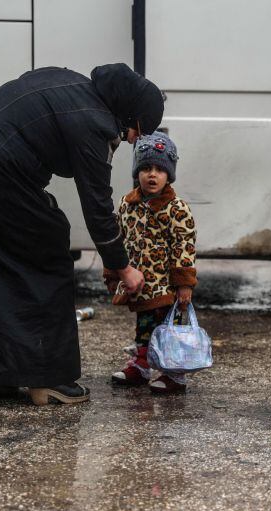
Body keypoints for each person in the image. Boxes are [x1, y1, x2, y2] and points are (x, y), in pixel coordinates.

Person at [0, 63, 164, 405]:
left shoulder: (68, 82)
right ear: (129, 114)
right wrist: (123, 267)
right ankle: (48, 378)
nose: (136, 139)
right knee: (49, 256)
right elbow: (98, 210)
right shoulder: (96, 123)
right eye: (139, 130)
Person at [104, 132, 197, 394]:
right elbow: (118, 240)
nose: (152, 175)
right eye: (145, 168)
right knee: (144, 327)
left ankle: (173, 373)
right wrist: (113, 273)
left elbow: (184, 246)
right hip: (141, 284)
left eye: (159, 169)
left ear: (169, 174)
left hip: (167, 287)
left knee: (169, 330)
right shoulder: (127, 204)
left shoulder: (176, 209)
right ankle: (142, 365)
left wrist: (184, 284)